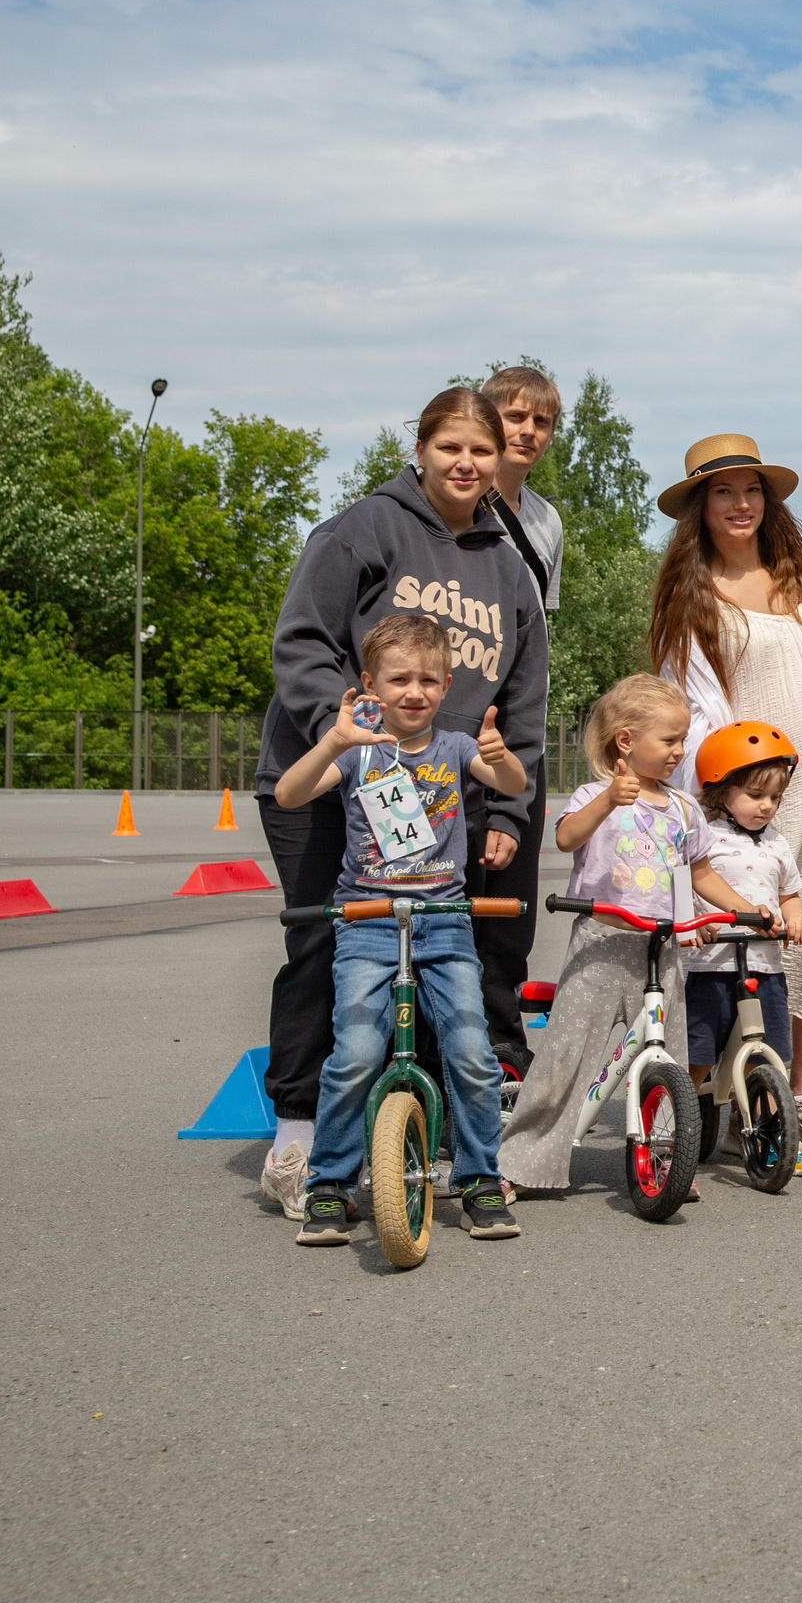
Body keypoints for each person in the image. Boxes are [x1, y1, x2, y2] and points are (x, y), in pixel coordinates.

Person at [253, 387, 546, 1219]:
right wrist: (357, 751)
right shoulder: (364, 528)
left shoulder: (507, 567)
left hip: (448, 780)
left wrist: (512, 814)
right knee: (326, 941)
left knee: (452, 955)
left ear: (500, 463)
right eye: (449, 445)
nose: (465, 463)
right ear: (419, 449)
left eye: (481, 451)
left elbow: (521, 703)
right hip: (341, 773)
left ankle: (445, 1136)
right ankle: (302, 1135)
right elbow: (302, 642)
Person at [650, 434, 802, 1162]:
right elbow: (692, 705)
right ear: (700, 508)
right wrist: (725, 795)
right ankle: (728, 1087)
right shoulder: (694, 597)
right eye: (724, 492)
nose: (741, 504)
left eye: (752, 490)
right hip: (753, 793)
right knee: (750, 936)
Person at [272, 613, 527, 1244]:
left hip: (444, 923)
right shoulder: (358, 752)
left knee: (472, 1053)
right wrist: (333, 743)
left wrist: (503, 760)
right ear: (370, 684)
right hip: (368, 922)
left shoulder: (459, 747)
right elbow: (288, 794)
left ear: (446, 686)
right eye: (398, 679)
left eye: (428, 680)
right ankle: (328, 1184)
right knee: (356, 1053)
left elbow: (510, 783)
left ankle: (478, 1179)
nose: (413, 692)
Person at [496, 676, 776, 1194]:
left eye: (682, 738)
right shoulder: (592, 794)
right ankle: (518, 1163)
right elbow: (566, 837)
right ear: (626, 741)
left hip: (662, 947)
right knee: (566, 1056)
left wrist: (749, 910)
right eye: (669, 739)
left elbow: (702, 874)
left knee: (665, 1055)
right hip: (601, 943)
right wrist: (608, 800)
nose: (679, 750)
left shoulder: (685, 808)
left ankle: (669, 1159)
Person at [466, 366, 565, 1072]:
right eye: (514, 416)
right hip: (448, 721)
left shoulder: (545, 521)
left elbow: (538, 633)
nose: (526, 431)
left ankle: (501, 1039)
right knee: (444, 891)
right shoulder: (455, 504)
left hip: (514, 727)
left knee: (511, 900)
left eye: (542, 422)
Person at [683, 722, 802, 1172]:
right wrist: (693, 923)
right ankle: (677, 1131)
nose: (767, 806)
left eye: (775, 798)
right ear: (721, 790)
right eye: (755, 795)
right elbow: (689, 884)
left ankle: (773, 1138)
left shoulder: (777, 843)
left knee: (769, 1058)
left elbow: (788, 894)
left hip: (765, 968)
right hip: (710, 966)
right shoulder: (706, 837)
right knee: (698, 1057)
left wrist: (795, 917)